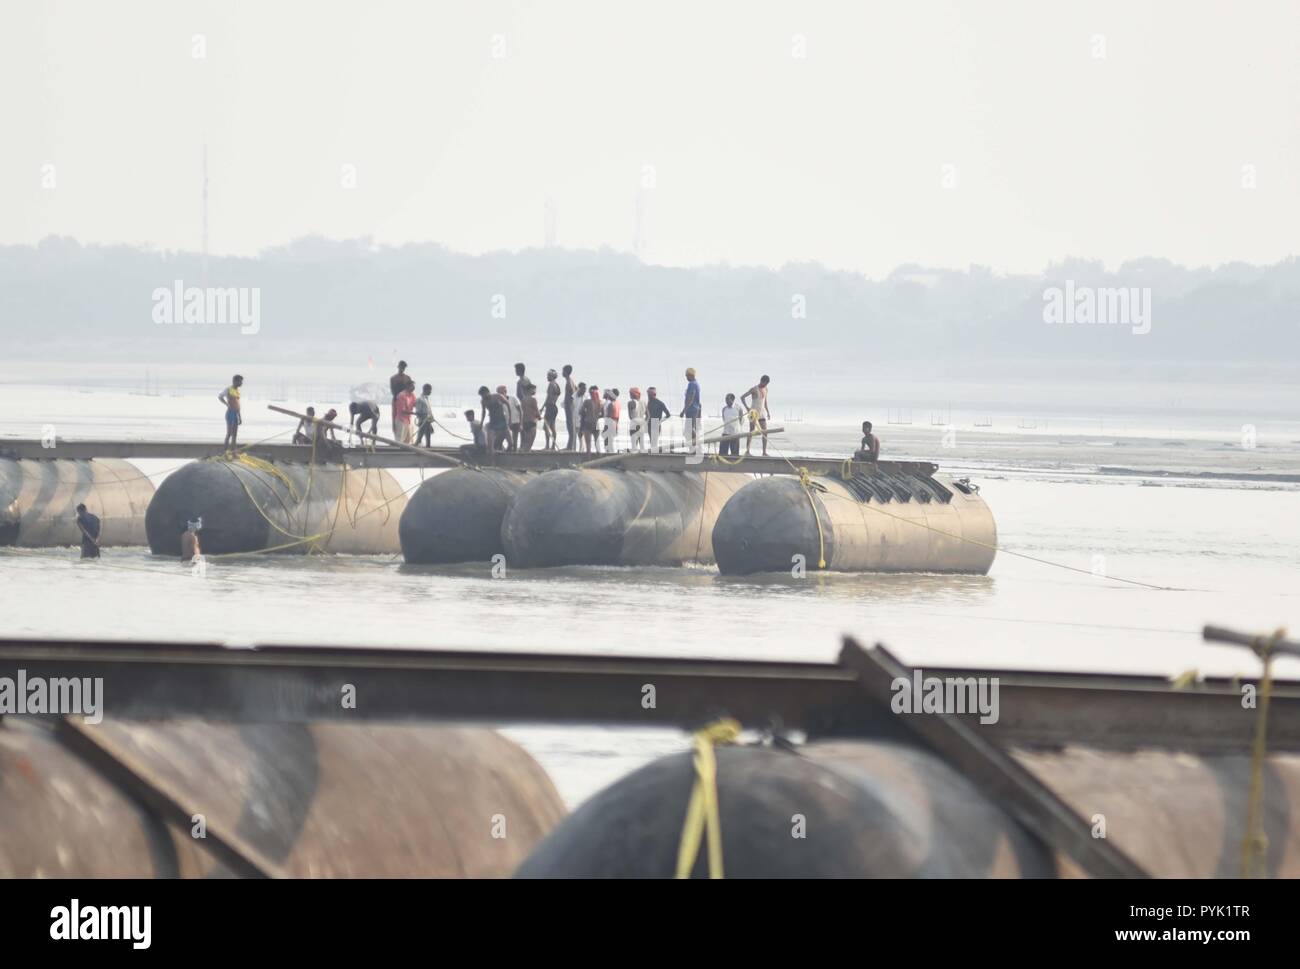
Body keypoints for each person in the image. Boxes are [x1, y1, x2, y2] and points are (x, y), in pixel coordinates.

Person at [741, 374, 772, 456]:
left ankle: (764, 452)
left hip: (762, 413)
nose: (765, 385)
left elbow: (765, 401)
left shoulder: (766, 389)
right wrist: (747, 408)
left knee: (765, 432)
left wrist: (768, 412)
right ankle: (747, 451)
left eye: (766, 384)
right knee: (751, 431)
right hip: (753, 413)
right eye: (764, 383)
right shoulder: (754, 389)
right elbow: (742, 397)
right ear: (761, 381)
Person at [479, 385, 509, 456]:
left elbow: (507, 404)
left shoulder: (497, 396)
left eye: (483, 395)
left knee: (511, 443)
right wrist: (481, 423)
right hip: (493, 422)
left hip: (502, 421)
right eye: (481, 396)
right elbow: (483, 412)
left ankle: (504, 454)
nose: (483, 397)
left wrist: (509, 419)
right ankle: (493, 460)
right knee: (490, 446)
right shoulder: (483, 401)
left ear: (487, 392)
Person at [218, 374, 244, 450]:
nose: (241, 383)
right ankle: (225, 452)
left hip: (236, 413)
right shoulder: (228, 389)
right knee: (229, 433)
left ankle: (233, 452)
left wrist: (239, 416)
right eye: (240, 381)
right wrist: (226, 404)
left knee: (235, 435)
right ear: (235, 381)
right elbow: (220, 396)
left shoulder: (237, 391)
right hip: (230, 413)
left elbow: (238, 404)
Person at [680, 367, 702, 453]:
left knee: (689, 429)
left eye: (687, 376)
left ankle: (694, 447)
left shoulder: (692, 384)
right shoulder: (696, 384)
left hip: (691, 409)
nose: (686, 378)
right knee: (688, 430)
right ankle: (693, 447)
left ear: (690, 375)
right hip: (693, 409)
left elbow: (691, 398)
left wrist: (684, 410)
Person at [646, 386, 671, 452]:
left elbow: (668, 415)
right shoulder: (649, 402)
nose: (648, 395)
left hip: (655, 423)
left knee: (654, 441)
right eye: (647, 394)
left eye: (649, 394)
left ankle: (654, 454)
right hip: (650, 423)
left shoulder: (660, 403)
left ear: (653, 394)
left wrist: (660, 421)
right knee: (652, 441)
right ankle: (653, 453)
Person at [389, 360, 409, 438]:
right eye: (401, 367)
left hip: (405, 400)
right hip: (396, 399)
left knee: (406, 416)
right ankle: (395, 431)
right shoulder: (393, 378)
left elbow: (409, 389)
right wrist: (398, 398)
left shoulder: (407, 378)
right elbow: (393, 390)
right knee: (394, 416)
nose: (402, 369)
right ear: (398, 367)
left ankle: (405, 433)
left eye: (403, 368)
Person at [394, 380, 417, 444]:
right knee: (400, 440)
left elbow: (416, 404)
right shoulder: (401, 395)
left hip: (409, 420)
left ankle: (407, 453)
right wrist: (415, 413)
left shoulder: (412, 395)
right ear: (407, 386)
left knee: (409, 439)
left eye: (413, 386)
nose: (413, 388)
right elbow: (403, 410)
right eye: (412, 386)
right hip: (401, 420)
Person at [579, 386, 601, 453]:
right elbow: (603, 414)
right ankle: (599, 461)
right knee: (597, 445)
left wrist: (587, 414)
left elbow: (581, 412)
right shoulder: (600, 402)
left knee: (588, 446)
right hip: (596, 424)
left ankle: (588, 461)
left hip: (588, 423)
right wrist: (596, 416)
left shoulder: (587, 402)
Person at [543, 369, 561, 450]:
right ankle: (552, 446)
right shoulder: (556, 385)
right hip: (554, 407)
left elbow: (549, 397)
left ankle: (547, 445)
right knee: (553, 427)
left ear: (552, 376)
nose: (547, 377)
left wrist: (543, 407)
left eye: (548, 375)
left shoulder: (551, 384)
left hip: (550, 407)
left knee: (546, 426)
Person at [520, 380, 540, 451]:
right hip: (531, 421)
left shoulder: (523, 399)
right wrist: (539, 416)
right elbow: (536, 410)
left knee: (526, 440)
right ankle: (526, 453)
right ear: (530, 390)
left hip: (524, 421)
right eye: (534, 390)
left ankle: (523, 452)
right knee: (531, 440)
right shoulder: (533, 399)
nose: (535, 391)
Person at [562, 365, 578, 450]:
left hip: (569, 406)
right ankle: (570, 445)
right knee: (570, 425)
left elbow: (573, 391)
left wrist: (570, 400)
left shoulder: (569, 381)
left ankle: (570, 446)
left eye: (563, 371)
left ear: (566, 372)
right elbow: (576, 389)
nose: (562, 373)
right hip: (569, 405)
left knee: (570, 426)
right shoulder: (570, 380)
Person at [602, 389, 622, 453]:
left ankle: (608, 455)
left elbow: (609, 417)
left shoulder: (611, 404)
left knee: (607, 442)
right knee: (610, 442)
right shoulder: (618, 403)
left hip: (610, 424)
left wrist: (605, 428)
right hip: (615, 423)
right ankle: (610, 454)